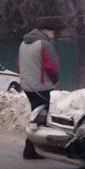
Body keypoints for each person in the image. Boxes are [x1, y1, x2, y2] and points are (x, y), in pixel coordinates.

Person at [18, 20, 60, 159]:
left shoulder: (23, 44)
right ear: (46, 31)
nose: (53, 35)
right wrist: (55, 79)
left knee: (36, 116)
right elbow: (51, 66)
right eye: (52, 32)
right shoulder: (44, 44)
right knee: (40, 118)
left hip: (28, 86)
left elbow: (18, 65)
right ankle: (32, 150)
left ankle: (32, 149)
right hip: (41, 87)